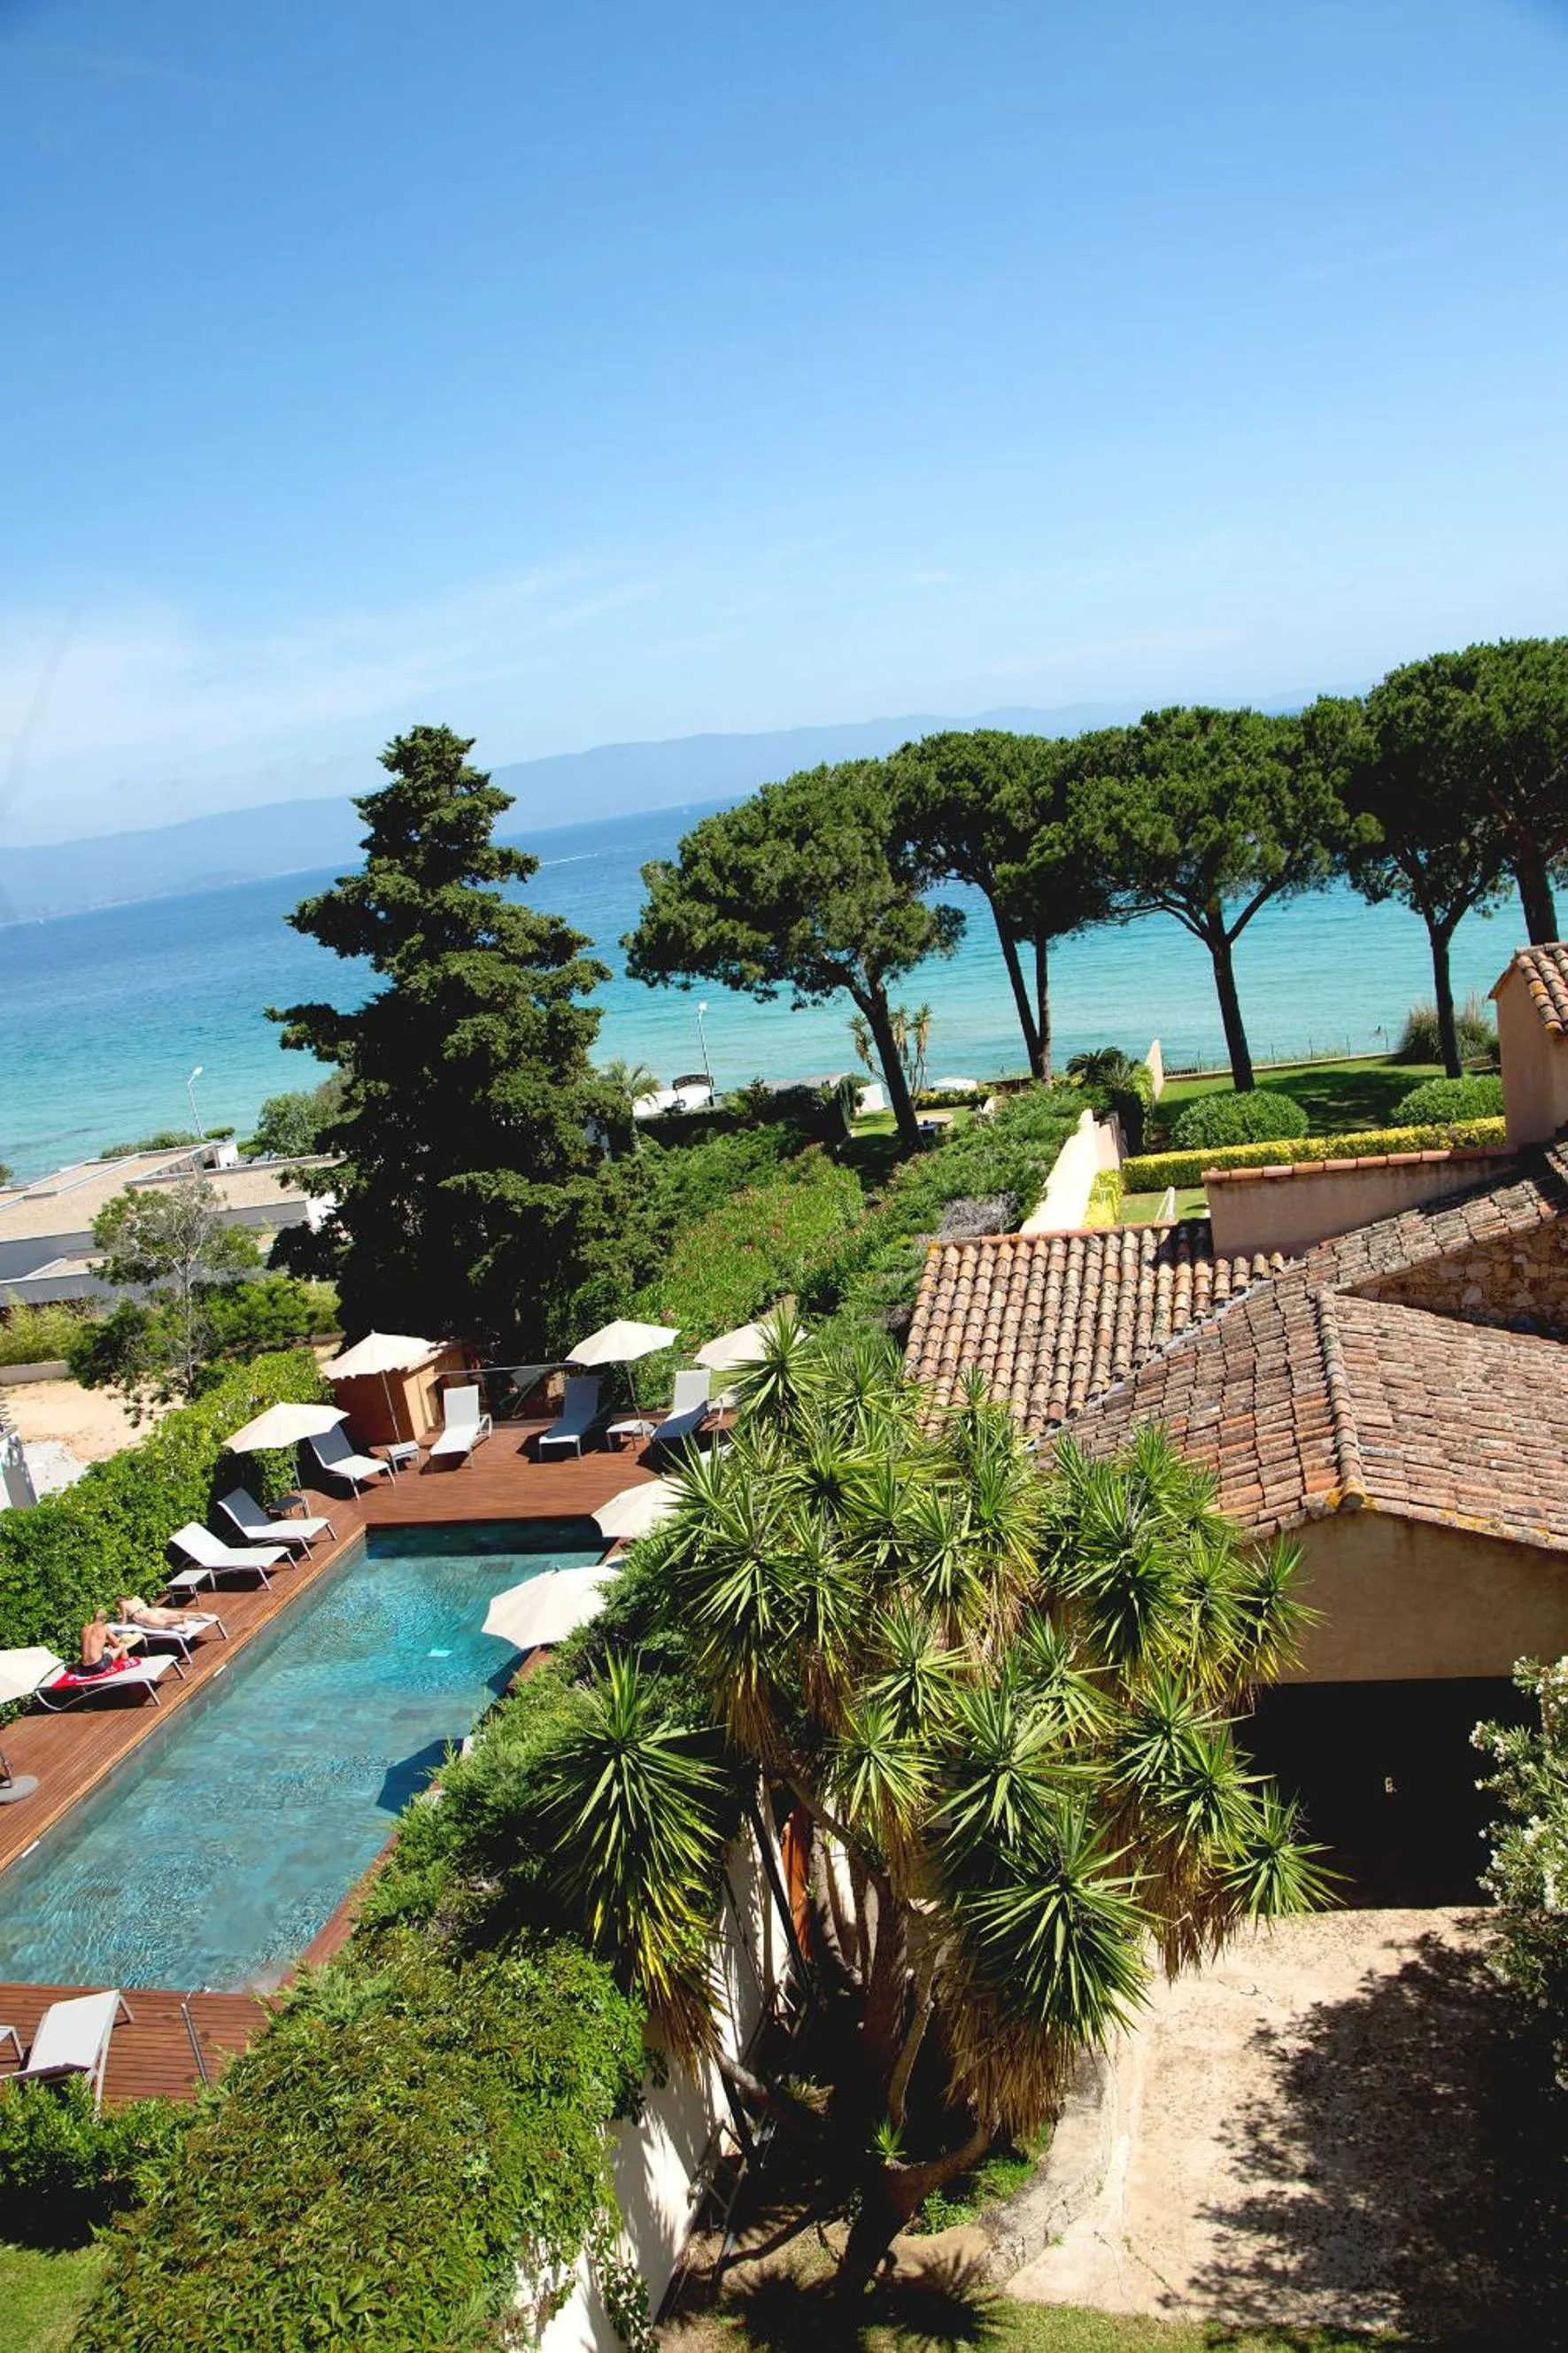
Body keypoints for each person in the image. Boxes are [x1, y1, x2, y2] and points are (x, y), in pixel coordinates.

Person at [79, 1609, 132, 1676]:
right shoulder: (104, 1628)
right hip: (97, 1666)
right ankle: (127, 1669)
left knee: (106, 1652)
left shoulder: (85, 1629)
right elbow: (116, 1644)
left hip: (83, 1668)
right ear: (105, 1619)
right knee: (121, 1647)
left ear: (94, 1617)